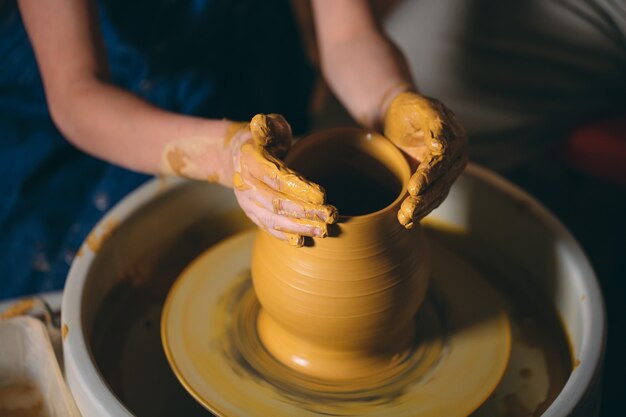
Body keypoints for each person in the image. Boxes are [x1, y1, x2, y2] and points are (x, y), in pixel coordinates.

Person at [0, 0, 467, 300]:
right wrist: (225, 155)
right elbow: (77, 92)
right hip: (110, 117)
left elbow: (347, 35)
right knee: (88, 287)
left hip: (248, 77)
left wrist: (392, 99)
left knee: (299, 193)